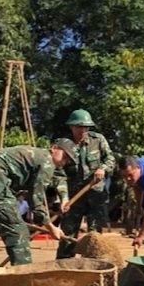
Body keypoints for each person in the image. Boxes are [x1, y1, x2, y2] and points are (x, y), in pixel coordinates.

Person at [0, 140, 76, 266]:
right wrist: (50, 227)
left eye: (68, 160)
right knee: (18, 231)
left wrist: (64, 198)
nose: (65, 161)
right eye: (65, 156)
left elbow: (59, 178)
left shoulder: (39, 156)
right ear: (54, 148)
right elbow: (36, 199)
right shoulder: (47, 161)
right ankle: (24, 272)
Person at [53, 109, 116, 258]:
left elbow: (110, 159)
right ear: (71, 127)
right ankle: (64, 266)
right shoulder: (63, 144)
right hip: (74, 198)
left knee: (95, 237)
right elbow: (59, 175)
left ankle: (93, 265)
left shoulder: (98, 140)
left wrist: (103, 168)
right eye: (79, 127)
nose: (83, 130)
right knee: (67, 235)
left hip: (96, 195)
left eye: (86, 127)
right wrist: (64, 198)